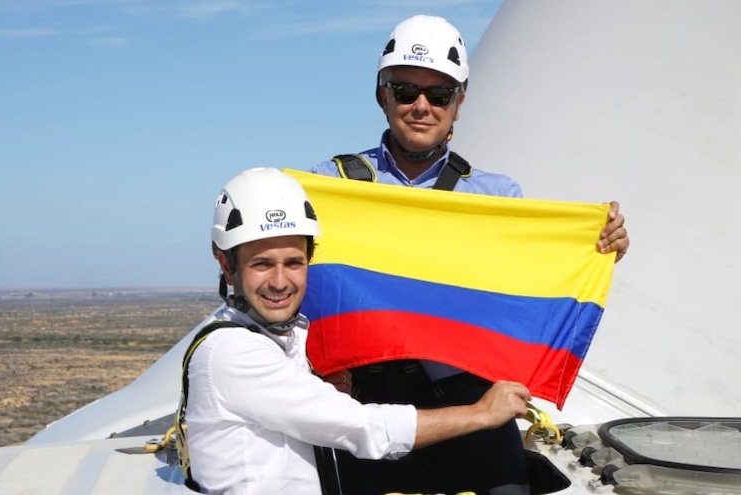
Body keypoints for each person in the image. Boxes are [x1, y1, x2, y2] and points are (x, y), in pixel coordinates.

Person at [306, 15, 631, 495]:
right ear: (383, 96)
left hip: (466, 395)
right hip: (363, 399)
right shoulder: (328, 186)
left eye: (438, 96)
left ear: (458, 105)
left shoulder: (496, 196)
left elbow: (529, 286)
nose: (421, 106)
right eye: (405, 91)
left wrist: (595, 249)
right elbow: (290, 278)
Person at [182, 167, 532, 495]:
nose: (279, 282)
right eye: (261, 264)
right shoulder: (231, 350)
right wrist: (481, 413)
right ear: (227, 266)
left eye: (294, 263)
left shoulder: (284, 338)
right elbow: (362, 428)